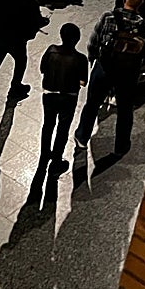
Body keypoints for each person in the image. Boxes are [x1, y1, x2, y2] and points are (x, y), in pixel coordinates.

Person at [74, 0, 145, 157]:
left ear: (124, 0)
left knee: (92, 104)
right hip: (128, 73)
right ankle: (121, 146)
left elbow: (94, 42)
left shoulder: (109, 17)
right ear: (140, 4)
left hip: (105, 68)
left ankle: (82, 137)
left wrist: (93, 59)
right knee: (125, 110)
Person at [38, 23, 89, 175]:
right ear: (77, 39)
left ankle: (44, 154)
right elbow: (83, 82)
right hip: (68, 98)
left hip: (49, 95)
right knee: (62, 129)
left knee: (47, 126)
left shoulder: (51, 50)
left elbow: (42, 69)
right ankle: (56, 162)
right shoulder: (81, 59)